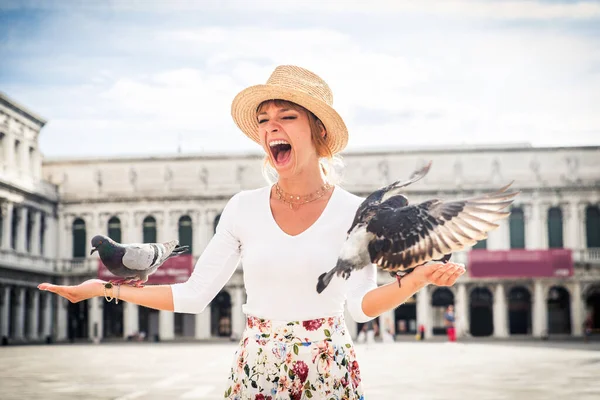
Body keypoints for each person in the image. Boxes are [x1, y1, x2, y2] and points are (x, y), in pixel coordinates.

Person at [38, 65, 466, 399]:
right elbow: (193, 295)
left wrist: (414, 280)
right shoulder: (242, 208)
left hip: (329, 370)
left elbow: (360, 307)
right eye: (264, 120)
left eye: (286, 116)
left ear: (318, 130)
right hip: (256, 370)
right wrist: (103, 289)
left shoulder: (357, 211)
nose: (270, 127)